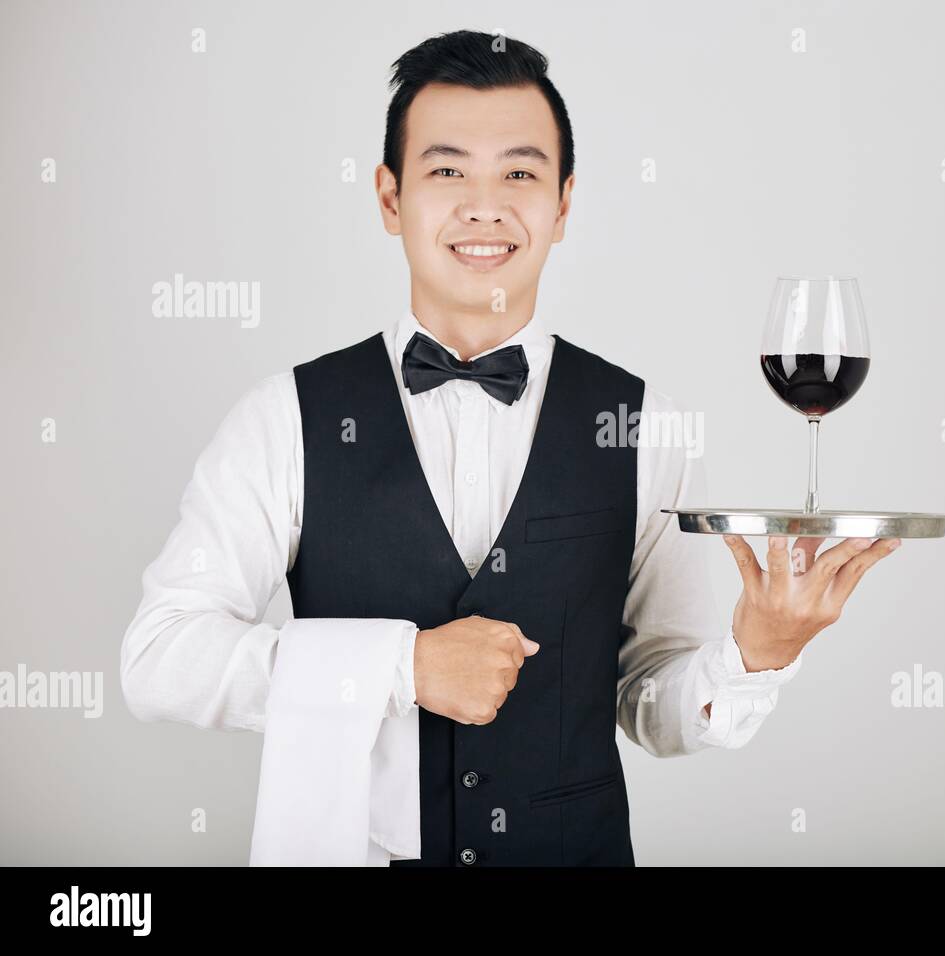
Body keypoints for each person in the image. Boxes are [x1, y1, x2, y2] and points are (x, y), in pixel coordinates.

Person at [119, 29, 902, 867]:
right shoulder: (284, 418)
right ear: (390, 198)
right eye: (447, 170)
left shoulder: (646, 424)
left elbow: (651, 702)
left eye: (520, 174)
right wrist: (399, 668)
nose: (484, 206)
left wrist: (758, 654)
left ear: (564, 204)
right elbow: (159, 658)